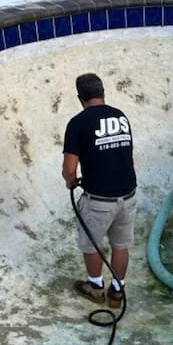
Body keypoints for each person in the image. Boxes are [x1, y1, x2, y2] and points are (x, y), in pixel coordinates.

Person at [62, 73, 138, 309]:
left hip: (99, 200)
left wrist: (71, 181)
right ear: (103, 92)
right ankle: (117, 291)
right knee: (120, 245)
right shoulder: (120, 116)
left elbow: (69, 168)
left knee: (91, 244)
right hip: (128, 195)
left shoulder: (77, 123)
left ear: (80, 97)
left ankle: (95, 287)